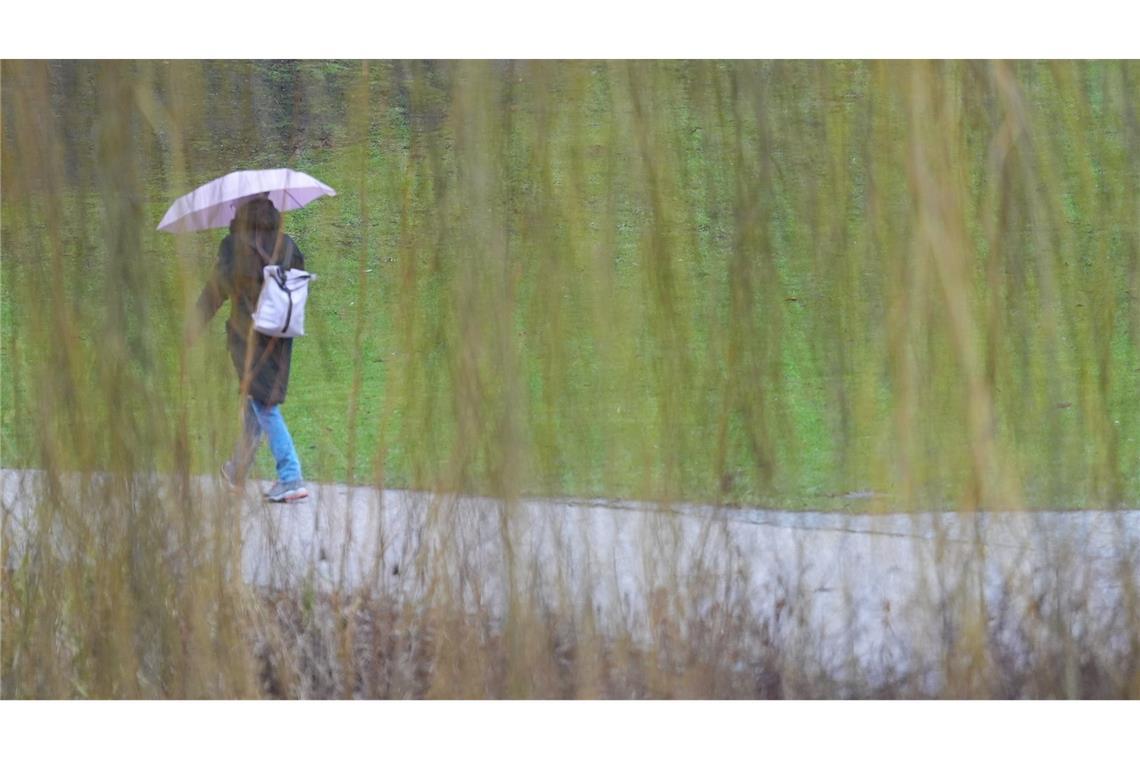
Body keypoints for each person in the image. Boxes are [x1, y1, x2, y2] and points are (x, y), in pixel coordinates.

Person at [189, 195, 310, 502]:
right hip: (282, 336)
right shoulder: (288, 244)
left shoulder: (234, 247)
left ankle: (290, 475)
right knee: (257, 397)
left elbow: (216, 290)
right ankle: (237, 469)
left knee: (264, 403)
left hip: (249, 335)